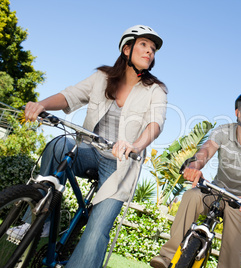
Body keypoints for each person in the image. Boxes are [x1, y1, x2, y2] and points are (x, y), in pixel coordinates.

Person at [23, 25, 168, 268]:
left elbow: (156, 123)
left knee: (96, 230)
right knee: (59, 144)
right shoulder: (102, 77)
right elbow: (70, 96)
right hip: (88, 151)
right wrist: (41, 104)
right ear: (126, 49)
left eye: (153, 49)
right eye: (144, 45)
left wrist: (134, 145)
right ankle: (37, 218)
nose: (150, 52)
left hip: (119, 165)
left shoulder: (156, 90)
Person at [150, 89, 241, 268]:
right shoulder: (223, 131)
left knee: (231, 259)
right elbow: (205, 152)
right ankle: (168, 256)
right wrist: (193, 167)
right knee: (192, 196)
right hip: (217, 190)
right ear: (238, 112)